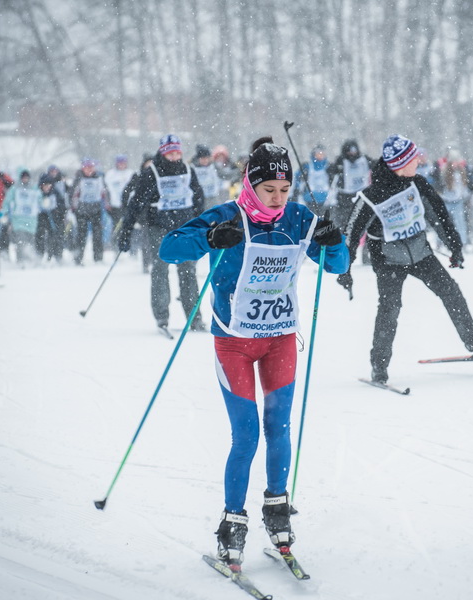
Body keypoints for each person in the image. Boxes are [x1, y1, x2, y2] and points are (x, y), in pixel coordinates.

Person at [158, 137, 347, 567]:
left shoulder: (300, 218)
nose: (278, 199)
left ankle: (277, 509)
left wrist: (333, 241)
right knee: (245, 435)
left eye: (285, 190)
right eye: (270, 191)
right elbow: (169, 248)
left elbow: (337, 265)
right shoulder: (228, 215)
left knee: (278, 426)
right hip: (234, 343)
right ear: (251, 184)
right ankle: (233, 521)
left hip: (280, 339)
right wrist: (209, 237)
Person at [337, 134, 473, 384]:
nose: (418, 161)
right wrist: (344, 269)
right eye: (413, 158)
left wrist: (455, 248)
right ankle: (379, 366)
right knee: (390, 309)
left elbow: (440, 216)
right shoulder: (370, 196)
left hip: (421, 254)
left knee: (451, 292)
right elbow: (350, 235)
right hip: (388, 260)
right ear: (399, 164)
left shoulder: (418, 183)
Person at [117, 134, 207, 331]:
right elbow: (135, 203)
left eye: (177, 153)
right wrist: (126, 230)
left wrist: (203, 223)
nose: (175, 157)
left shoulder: (187, 170)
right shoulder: (152, 173)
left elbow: (199, 198)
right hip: (159, 226)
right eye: (170, 153)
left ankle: (194, 316)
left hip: (185, 227)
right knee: (160, 268)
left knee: (188, 271)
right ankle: (162, 316)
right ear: (163, 153)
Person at [69, 158, 109, 265]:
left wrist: (107, 206)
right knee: (81, 235)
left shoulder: (100, 178)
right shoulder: (78, 179)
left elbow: (105, 193)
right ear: (83, 168)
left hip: (96, 209)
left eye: (91, 167)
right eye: (87, 168)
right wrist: (73, 208)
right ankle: (78, 258)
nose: (89, 170)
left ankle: (98, 258)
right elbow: (73, 194)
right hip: (81, 209)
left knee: (98, 234)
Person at [328, 139, 373, 229]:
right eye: (349, 151)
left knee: (362, 219)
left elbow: (375, 166)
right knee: (344, 221)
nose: (352, 154)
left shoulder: (364, 160)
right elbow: (330, 173)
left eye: (354, 151)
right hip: (344, 197)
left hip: (362, 193)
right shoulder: (341, 161)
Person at [434, 149, 470, 246]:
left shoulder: (462, 171)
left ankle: (463, 242)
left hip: (458, 201)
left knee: (460, 222)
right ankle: (439, 241)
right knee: (442, 221)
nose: (455, 163)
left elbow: (464, 186)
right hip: (446, 200)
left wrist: (466, 196)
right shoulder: (444, 171)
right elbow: (439, 184)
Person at [4, 170, 40, 265]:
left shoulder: (34, 188)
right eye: (23, 177)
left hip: (31, 220)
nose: (25, 179)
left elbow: (40, 200)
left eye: (27, 177)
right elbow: (7, 200)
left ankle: (30, 260)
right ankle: (20, 260)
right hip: (18, 220)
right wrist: (3, 211)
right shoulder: (15, 188)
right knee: (20, 240)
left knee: (30, 241)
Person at [103, 155, 135, 244]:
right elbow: (106, 191)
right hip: (115, 205)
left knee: (130, 226)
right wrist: (107, 203)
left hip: (128, 205)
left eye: (123, 163)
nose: (121, 165)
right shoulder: (110, 174)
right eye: (120, 163)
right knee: (116, 226)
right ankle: (116, 245)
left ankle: (131, 246)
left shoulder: (131, 173)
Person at [35, 174, 66, 264]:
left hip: (54, 218)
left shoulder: (55, 193)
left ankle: (56, 257)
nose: (47, 187)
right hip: (41, 217)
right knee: (40, 235)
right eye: (45, 185)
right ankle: (39, 256)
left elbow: (62, 205)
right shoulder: (37, 193)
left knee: (55, 237)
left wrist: (57, 212)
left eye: (49, 185)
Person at [294, 144, 332, 213]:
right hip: (309, 201)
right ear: (314, 154)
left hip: (325, 202)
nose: (320, 156)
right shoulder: (306, 166)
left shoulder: (329, 167)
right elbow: (297, 179)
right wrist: (296, 192)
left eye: (322, 154)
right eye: (318, 154)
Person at [191, 144, 224, 209]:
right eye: (203, 158)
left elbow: (224, 174)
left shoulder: (213, 166)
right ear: (198, 158)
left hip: (213, 196)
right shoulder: (193, 168)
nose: (205, 160)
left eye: (207, 158)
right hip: (199, 198)